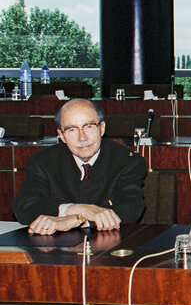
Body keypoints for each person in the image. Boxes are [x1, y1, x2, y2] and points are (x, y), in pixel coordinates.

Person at [12, 99, 147, 234]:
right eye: (72, 130)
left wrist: (79, 221)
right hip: (57, 249)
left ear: (102, 128)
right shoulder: (43, 162)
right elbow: (25, 207)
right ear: (61, 135)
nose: (82, 138)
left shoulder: (127, 161)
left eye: (88, 126)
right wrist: (77, 210)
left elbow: (131, 208)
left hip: (109, 245)